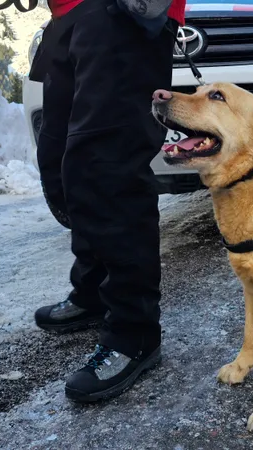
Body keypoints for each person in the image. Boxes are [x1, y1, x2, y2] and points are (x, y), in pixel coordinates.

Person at [29, 0, 185, 402]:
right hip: (69, 16)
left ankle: (135, 333)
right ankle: (94, 290)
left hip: (124, 14)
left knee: (108, 164)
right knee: (65, 159)